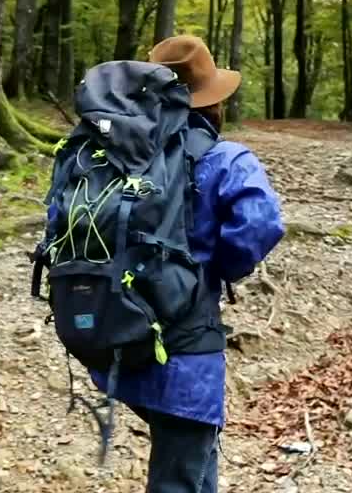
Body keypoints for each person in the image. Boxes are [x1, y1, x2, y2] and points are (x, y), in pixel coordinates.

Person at [88, 35, 285, 493]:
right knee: (181, 472)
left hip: (117, 335)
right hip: (186, 352)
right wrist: (222, 266)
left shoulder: (116, 156)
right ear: (212, 101)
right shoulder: (224, 158)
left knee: (192, 460)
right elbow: (261, 223)